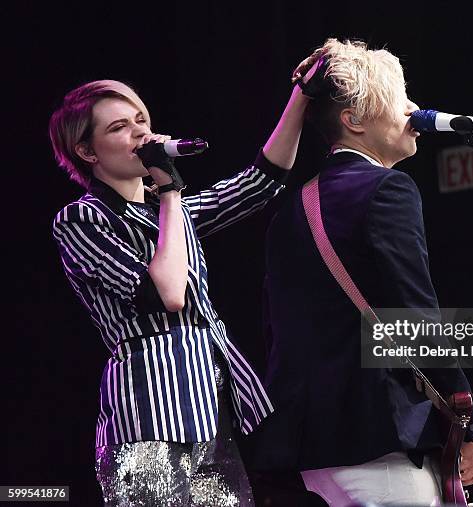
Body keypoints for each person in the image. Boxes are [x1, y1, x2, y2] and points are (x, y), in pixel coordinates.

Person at [49, 59, 319, 506]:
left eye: (142, 121)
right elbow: (168, 294)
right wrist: (170, 190)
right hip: (149, 419)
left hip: (210, 409)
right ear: (88, 152)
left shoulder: (170, 214)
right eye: (119, 127)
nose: (141, 134)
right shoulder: (81, 218)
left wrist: (302, 96)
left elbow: (260, 183)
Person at [249, 39, 473, 506]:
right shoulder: (387, 189)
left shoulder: (288, 210)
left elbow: (275, 327)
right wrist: (468, 423)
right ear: (354, 120)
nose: (414, 110)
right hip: (379, 437)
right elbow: (418, 318)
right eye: (400, 100)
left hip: (311, 448)